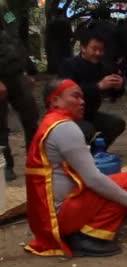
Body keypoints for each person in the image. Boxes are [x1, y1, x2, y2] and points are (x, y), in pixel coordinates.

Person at [24, 79, 127, 257]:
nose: (82, 101)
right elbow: (93, 179)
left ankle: (82, 231)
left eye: (82, 97)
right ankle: (87, 237)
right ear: (55, 100)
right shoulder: (65, 128)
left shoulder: (49, 124)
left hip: (45, 220)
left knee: (117, 187)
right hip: (57, 219)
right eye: (75, 96)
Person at [59, 30, 126, 148]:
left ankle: (94, 151)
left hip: (90, 113)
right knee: (87, 129)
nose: (98, 53)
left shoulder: (104, 67)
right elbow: (68, 92)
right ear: (83, 48)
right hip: (68, 115)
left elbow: (113, 95)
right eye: (94, 49)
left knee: (116, 123)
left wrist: (118, 86)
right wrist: (98, 86)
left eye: (101, 50)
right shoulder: (68, 65)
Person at [0, 0, 40, 181]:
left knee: (31, 115)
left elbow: (14, 39)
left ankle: (33, 160)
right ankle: (6, 165)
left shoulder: (5, 8)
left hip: (15, 74)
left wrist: (25, 71)